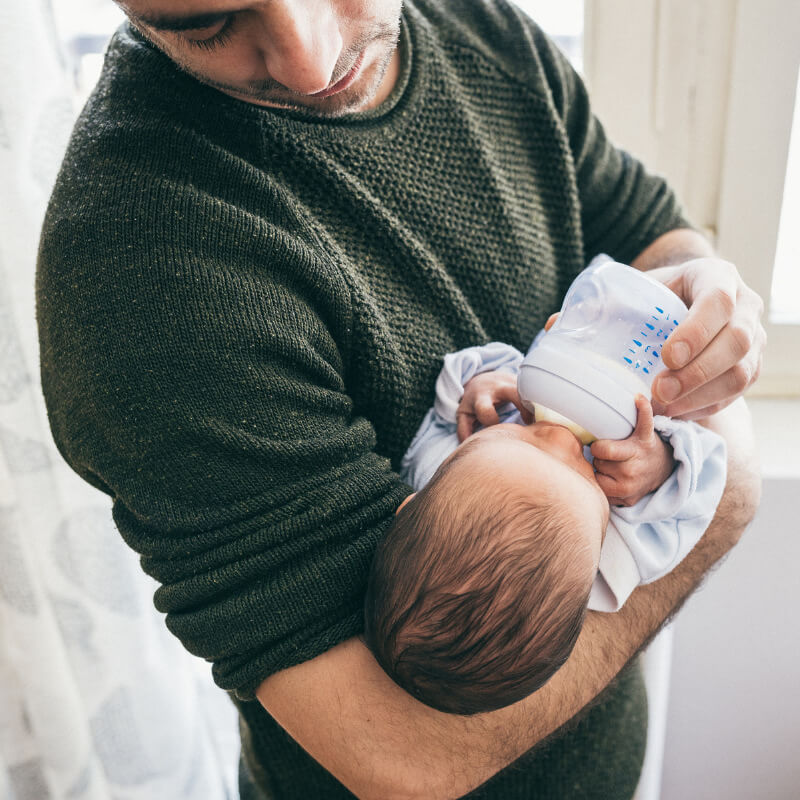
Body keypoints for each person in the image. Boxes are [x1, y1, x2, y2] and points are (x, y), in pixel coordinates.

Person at [35, 0, 764, 797]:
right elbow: (403, 755)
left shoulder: (479, 28)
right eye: (209, 26)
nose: (312, 66)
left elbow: (642, 224)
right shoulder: (146, 279)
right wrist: (720, 495)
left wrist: (708, 294)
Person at [364, 341, 727, 715]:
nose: (560, 438)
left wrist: (484, 385)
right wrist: (661, 466)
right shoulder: (615, 560)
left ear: (413, 505)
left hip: (573, 350)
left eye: (517, 440)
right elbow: (704, 486)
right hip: (646, 367)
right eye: (579, 471)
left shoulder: (437, 474)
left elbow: (445, 404)